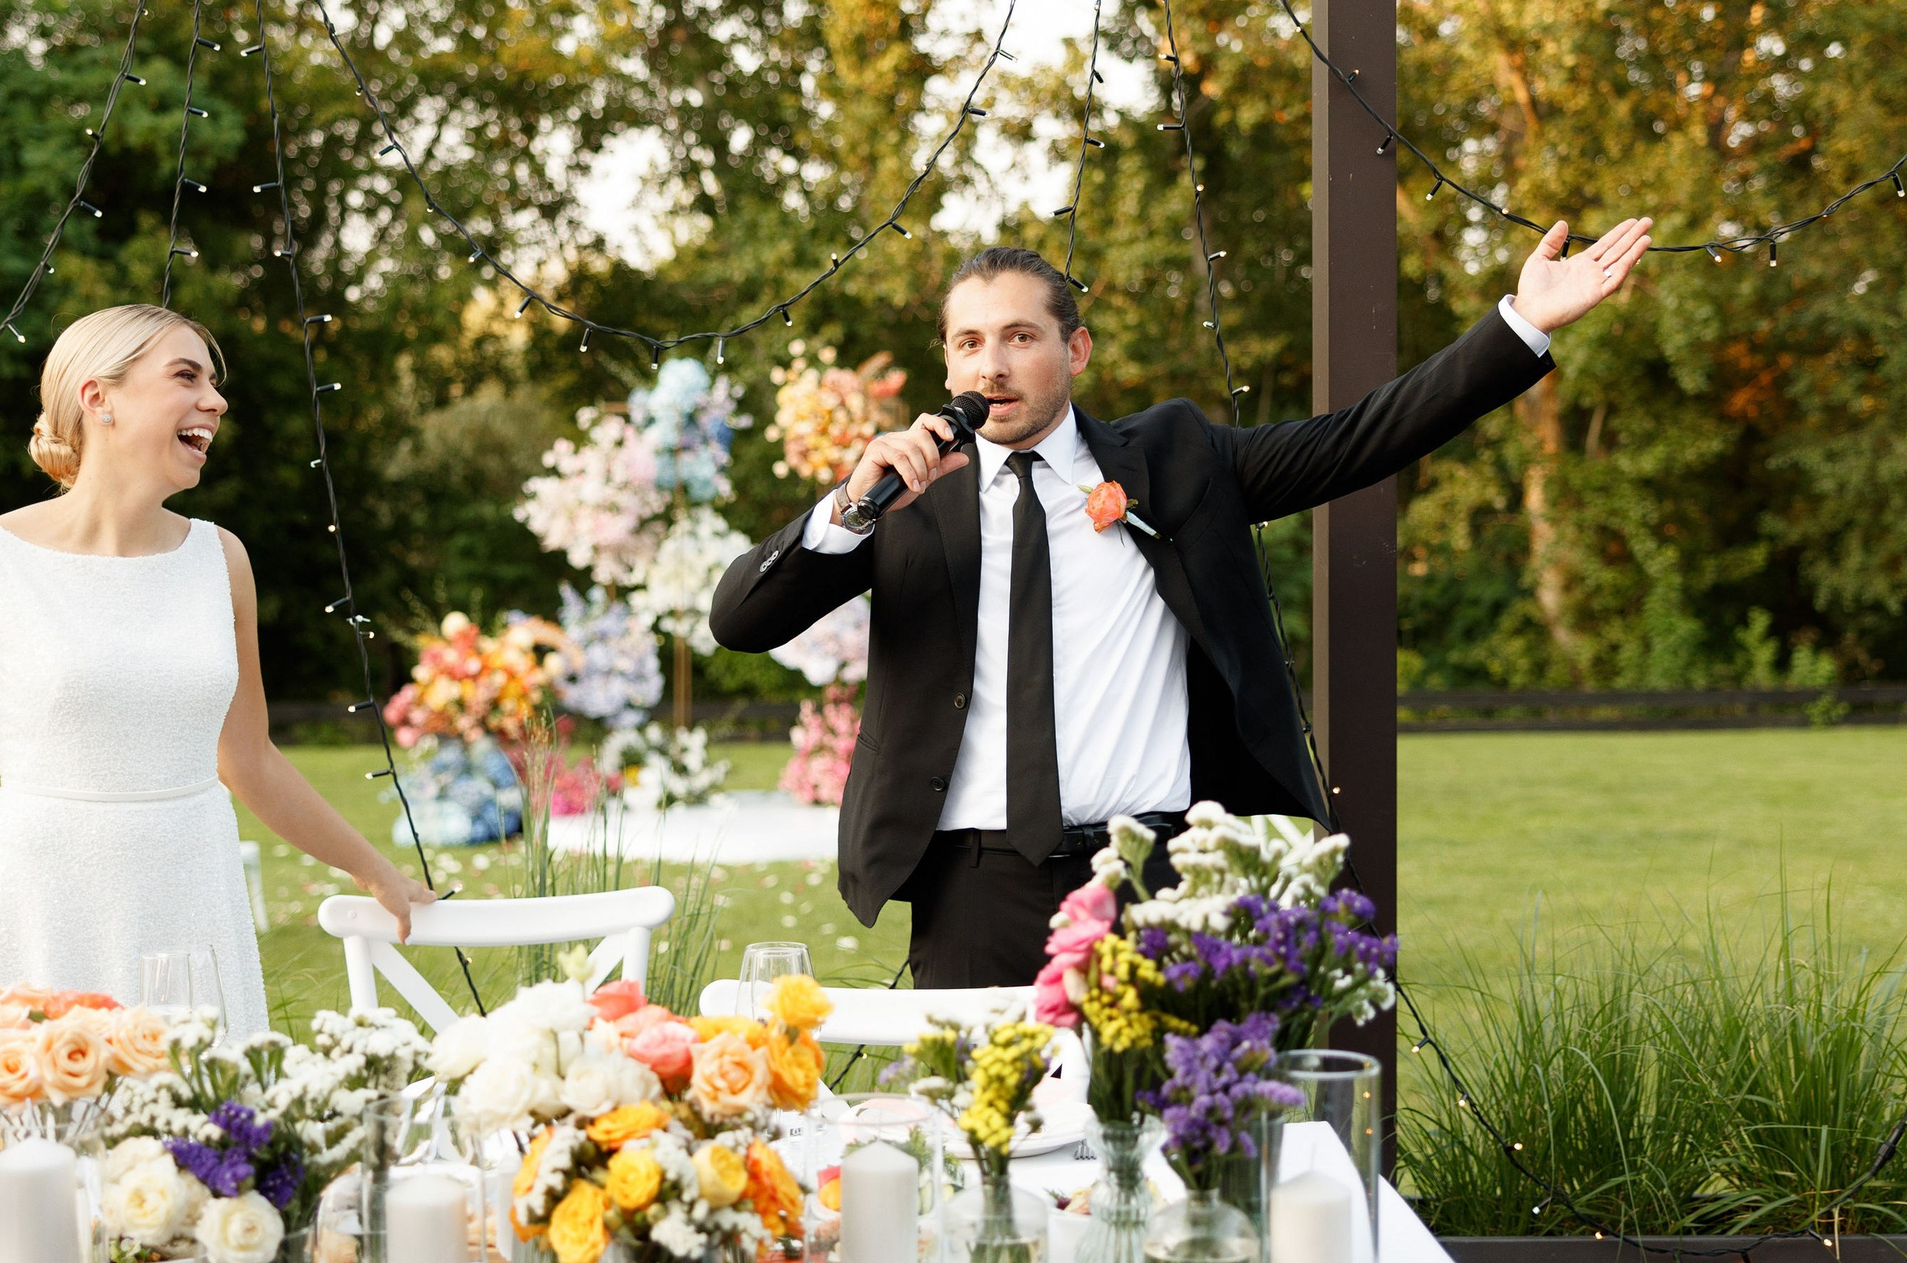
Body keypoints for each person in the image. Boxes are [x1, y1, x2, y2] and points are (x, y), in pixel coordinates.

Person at [708, 218, 1654, 988]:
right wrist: (849, 506)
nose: (991, 366)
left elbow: (1361, 438)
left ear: (1075, 348)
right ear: (948, 364)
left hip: (1148, 882)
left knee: (1160, 1142)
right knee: (990, 1149)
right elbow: (741, 621)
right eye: (969, 342)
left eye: (1020, 337)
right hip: (971, 891)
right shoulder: (903, 498)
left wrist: (1521, 325)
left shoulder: (1175, 459)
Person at [0, 303, 434, 1024]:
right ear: (98, 398)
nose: (216, 401)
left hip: (192, 901)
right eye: (186, 376)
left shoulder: (221, 560)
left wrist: (374, 870)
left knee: (200, 1097)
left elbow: (249, 758)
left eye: (214, 383)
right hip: (39, 907)